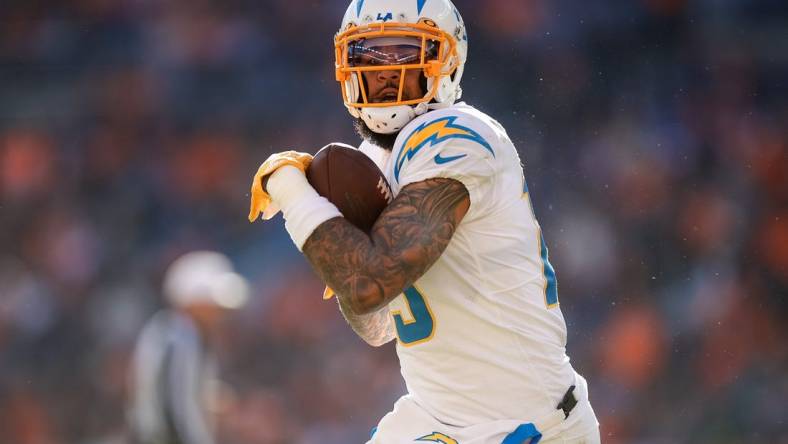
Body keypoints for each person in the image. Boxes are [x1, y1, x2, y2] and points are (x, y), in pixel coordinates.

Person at [248, 0, 600, 442]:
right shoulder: (379, 158)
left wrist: (293, 194)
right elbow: (377, 323)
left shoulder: (457, 136)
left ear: (445, 60)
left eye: (400, 52)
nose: (381, 70)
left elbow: (367, 285)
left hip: (524, 421)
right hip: (440, 416)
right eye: (366, 55)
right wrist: (345, 243)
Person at [127, 251, 248, 444]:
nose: (219, 314)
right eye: (212, 306)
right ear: (192, 302)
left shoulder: (174, 333)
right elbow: (176, 407)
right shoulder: (177, 336)